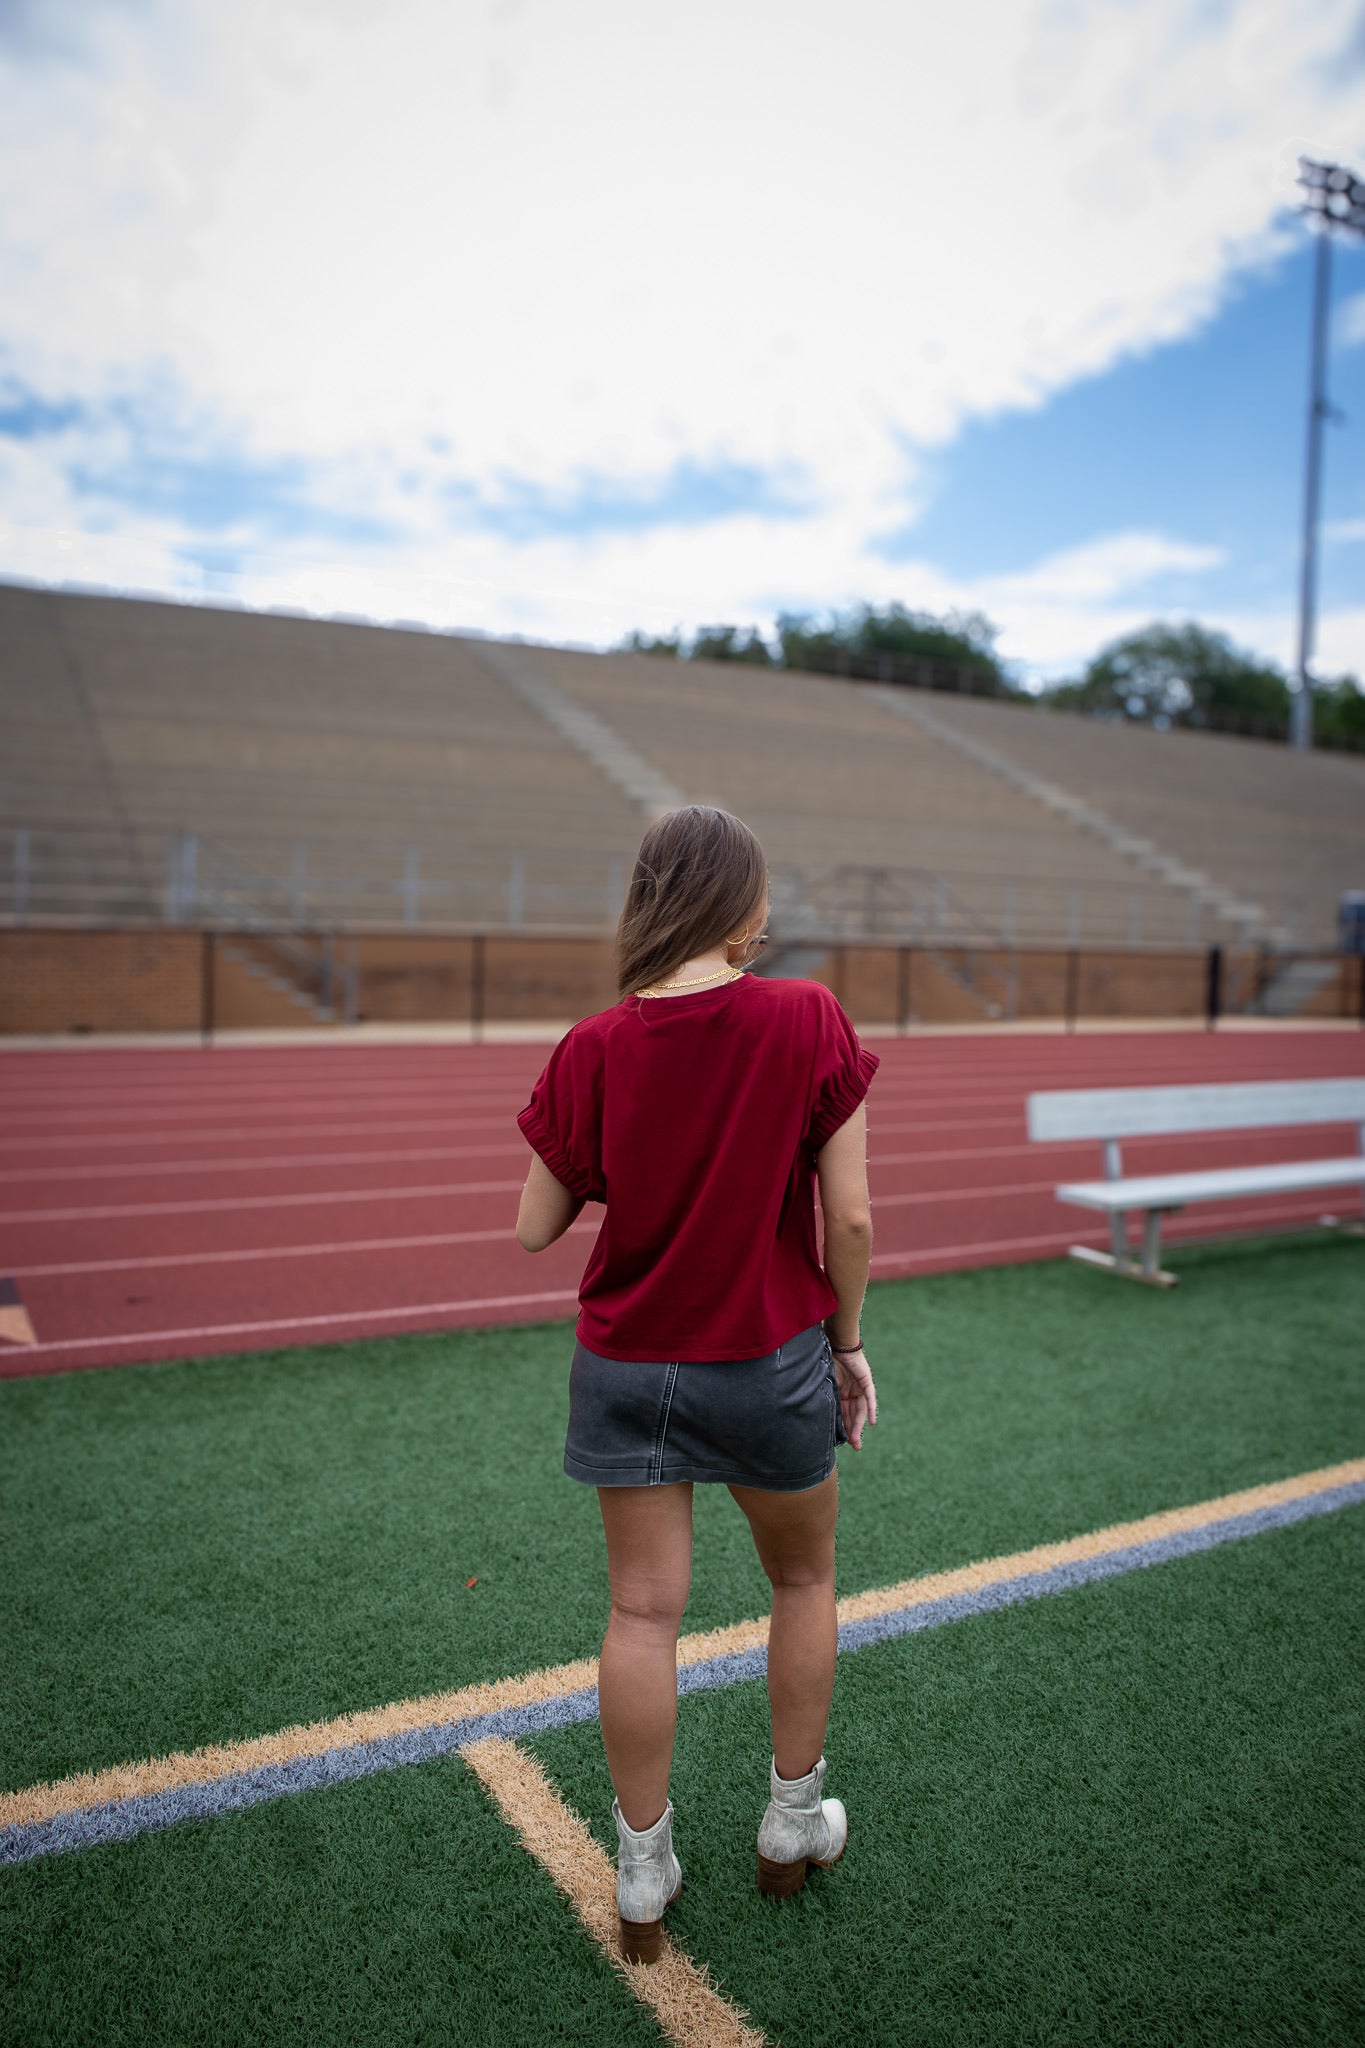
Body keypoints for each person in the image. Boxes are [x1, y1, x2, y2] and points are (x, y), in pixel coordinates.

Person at [515, 804, 878, 1964]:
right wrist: (848, 1341)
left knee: (640, 1613)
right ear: (747, 906)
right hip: (768, 1357)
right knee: (805, 1573)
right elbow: (853, 1215)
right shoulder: (806, 1014)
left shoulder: (594, 1043)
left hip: (626, 1362)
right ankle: (789, 1821)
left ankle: (640, 1866)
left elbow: (534, 1227)